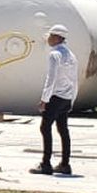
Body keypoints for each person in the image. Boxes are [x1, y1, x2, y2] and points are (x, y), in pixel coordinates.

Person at [30, 23, 77, 176]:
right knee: (63, 130)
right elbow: (74, 79)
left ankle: (46, 163)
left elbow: (51, 78)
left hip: (55, 97)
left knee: (45, 128)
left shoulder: (54, 55)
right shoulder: (71, 55)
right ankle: (65, 163)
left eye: (50, 36)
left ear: (56, 37)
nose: (48, 39)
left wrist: (44, 99)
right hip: (66, 97)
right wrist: (72, 99)